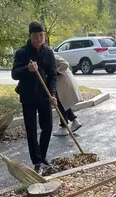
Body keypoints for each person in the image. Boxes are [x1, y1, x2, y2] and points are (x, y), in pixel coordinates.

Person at [12, 21, 57, 175]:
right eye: (35, 36)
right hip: (28, 96)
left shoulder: (48, 53)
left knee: (48, 127)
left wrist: (52, 94)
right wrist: (27, 69)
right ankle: (36, 161)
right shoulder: (22, 53)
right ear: (30, 36)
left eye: (41, 35)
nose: (38, 39)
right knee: (31, 130)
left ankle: (42, 156)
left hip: (45, 97)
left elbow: (52, 75)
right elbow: (14, 74)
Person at [53, 52, 83, 137]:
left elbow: (65, 64)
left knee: (61, 104)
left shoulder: (52, 56)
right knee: (64, 103)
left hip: (63, 83)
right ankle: (74, 121)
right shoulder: (51, 56)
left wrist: (55, 72)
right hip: (63, 82)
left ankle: (64, 127)